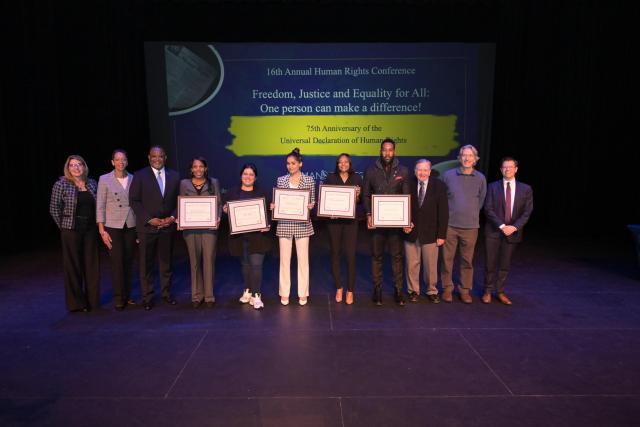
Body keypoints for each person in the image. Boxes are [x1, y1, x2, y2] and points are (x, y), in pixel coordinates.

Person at [129, 146, 180, 311]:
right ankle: (148, 297)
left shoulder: (174, 175)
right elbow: (134, 201)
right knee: (146, 264)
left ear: (165, 157)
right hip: (147, 228)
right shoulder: (139, 175)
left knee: (166, 264)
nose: (157, 159)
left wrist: (172, 218)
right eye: (154, 156)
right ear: (149, 157)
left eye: (160, 156)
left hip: (167, 227)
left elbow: (180, 200)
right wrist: (149, 219)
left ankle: (166, 294)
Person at [49, 155, 100, 312]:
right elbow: (54, 209)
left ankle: (92, 302)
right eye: (72, 165)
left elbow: (99, 206)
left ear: (84, 167)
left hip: (90, 229)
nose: (76, 168)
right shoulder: (61, 184)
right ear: (68, 168)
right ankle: (77, 303)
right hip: (71, 230)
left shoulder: (92, 183)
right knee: (73, 266)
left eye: (79, 164)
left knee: (92, 265)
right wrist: (65, 227)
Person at [363, 138, 410, 306]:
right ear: (380, 150)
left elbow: (406, 197)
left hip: (396, 223)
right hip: (377, 222)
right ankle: (377, 289)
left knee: (397, 257)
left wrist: (406, 220)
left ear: (394, 151)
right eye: (384, 150)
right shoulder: (371, 170)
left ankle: (398, 290)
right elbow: (366, 195)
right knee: (377, 256)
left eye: (390, 150)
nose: (387, 153)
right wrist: (369, 214)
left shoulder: (403, 171)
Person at [482, 157, 533, 305]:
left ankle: (500, 291)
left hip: (513, 232)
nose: (507, 169)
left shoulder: (526, 189)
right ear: (501, 170)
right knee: (490, 263)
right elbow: (488, 209)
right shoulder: (492, 187)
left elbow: (527, 212)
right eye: (504, 167)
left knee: (505, 264)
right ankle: (487, 291)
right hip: (493, 231)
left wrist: (514, 227)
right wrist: (502, 226)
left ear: (516, 169)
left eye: (510, 167)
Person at [440, 144, 487, 304]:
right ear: (459, 158)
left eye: (470, 156)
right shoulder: (447, 175)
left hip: (471, 227)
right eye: (464, 155)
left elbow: (480, 201)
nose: (467, 158)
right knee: (447, 259)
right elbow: (442, 199)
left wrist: (470, 214)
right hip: (450, 226)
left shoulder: (481, 178)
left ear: (475, 159)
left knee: (467, 261)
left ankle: (465, 290)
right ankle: (447, 289)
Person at [224, 163, 272, 309]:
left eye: (251, 174)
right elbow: (228, 213)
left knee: (256, 265)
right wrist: (226, 211)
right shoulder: (232, 193)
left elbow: (269, 213)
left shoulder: (263, 193)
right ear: (241, 176)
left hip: (258, 237)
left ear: (255, 177)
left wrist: (268, 224)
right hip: (240, 237)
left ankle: (257, 295)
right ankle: (248, 290)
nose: (248, 177)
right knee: (245, 265)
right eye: (245, 174)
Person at [273, 148, 315, 306]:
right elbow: (279, 201)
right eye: (288, 163)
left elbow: (312, 201)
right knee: (284, 261)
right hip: (284, 224)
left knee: (303, 261)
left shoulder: (309, 180)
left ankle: (302, 293)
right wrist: (275, 206)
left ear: (300, 164)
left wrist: (310, 205)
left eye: (293, 163)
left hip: (302, 225)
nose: (290, 166)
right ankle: (284, 293)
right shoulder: (281, 180)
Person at [403, 159, 449, 303]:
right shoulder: (407, 185)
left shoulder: (439, 186)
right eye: (419, 170)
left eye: (425, 170)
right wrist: (403, 223)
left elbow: (443, 212)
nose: (422, 173)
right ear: (415, 171)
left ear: (429, 171)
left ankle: (431, 291)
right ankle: (413, 291)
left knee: (430, 265)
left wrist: (441, 235)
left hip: (431, 233)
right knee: (412, 264)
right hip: (411, 231)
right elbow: (403, 206)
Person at [96, 149, 137, 311]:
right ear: (112, 162)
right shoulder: (104, 179)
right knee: (116, 261)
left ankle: (127, 295)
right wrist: (101, 229)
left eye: (124, 160)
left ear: (127, 162)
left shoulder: (133, 178)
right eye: (117, 160)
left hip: (130, 224)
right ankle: (119, 298)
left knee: (128, 261)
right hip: (113, 226)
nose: (121, 162)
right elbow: (100, 205)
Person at [179, 157, 221, 308]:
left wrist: (217, 218)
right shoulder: (184, 183)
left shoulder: (214, 182)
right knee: (194, 262)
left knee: (209, 261)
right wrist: (180, 219)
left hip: (209, 229)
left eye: (201, 166)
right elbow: (181, 204)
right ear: (191, 169)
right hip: (190, 230)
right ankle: (197, 296)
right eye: (195, 167)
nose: (198, 169)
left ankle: (209, 296)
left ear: (205, 168)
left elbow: (219, 204)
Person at [323, 153, 362, 305]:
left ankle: (350, 290)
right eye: (340, 162)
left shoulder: (357, 178)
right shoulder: (330, 178)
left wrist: (357, 196)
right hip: (334, 223)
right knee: (335, 254)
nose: (343, 164)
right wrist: (328, 211)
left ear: (350, 163)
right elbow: (325, 200)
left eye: (346, 162)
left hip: (351, 223)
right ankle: (339, 287)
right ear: (337, 164)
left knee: (351, 256)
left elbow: (359, 202)